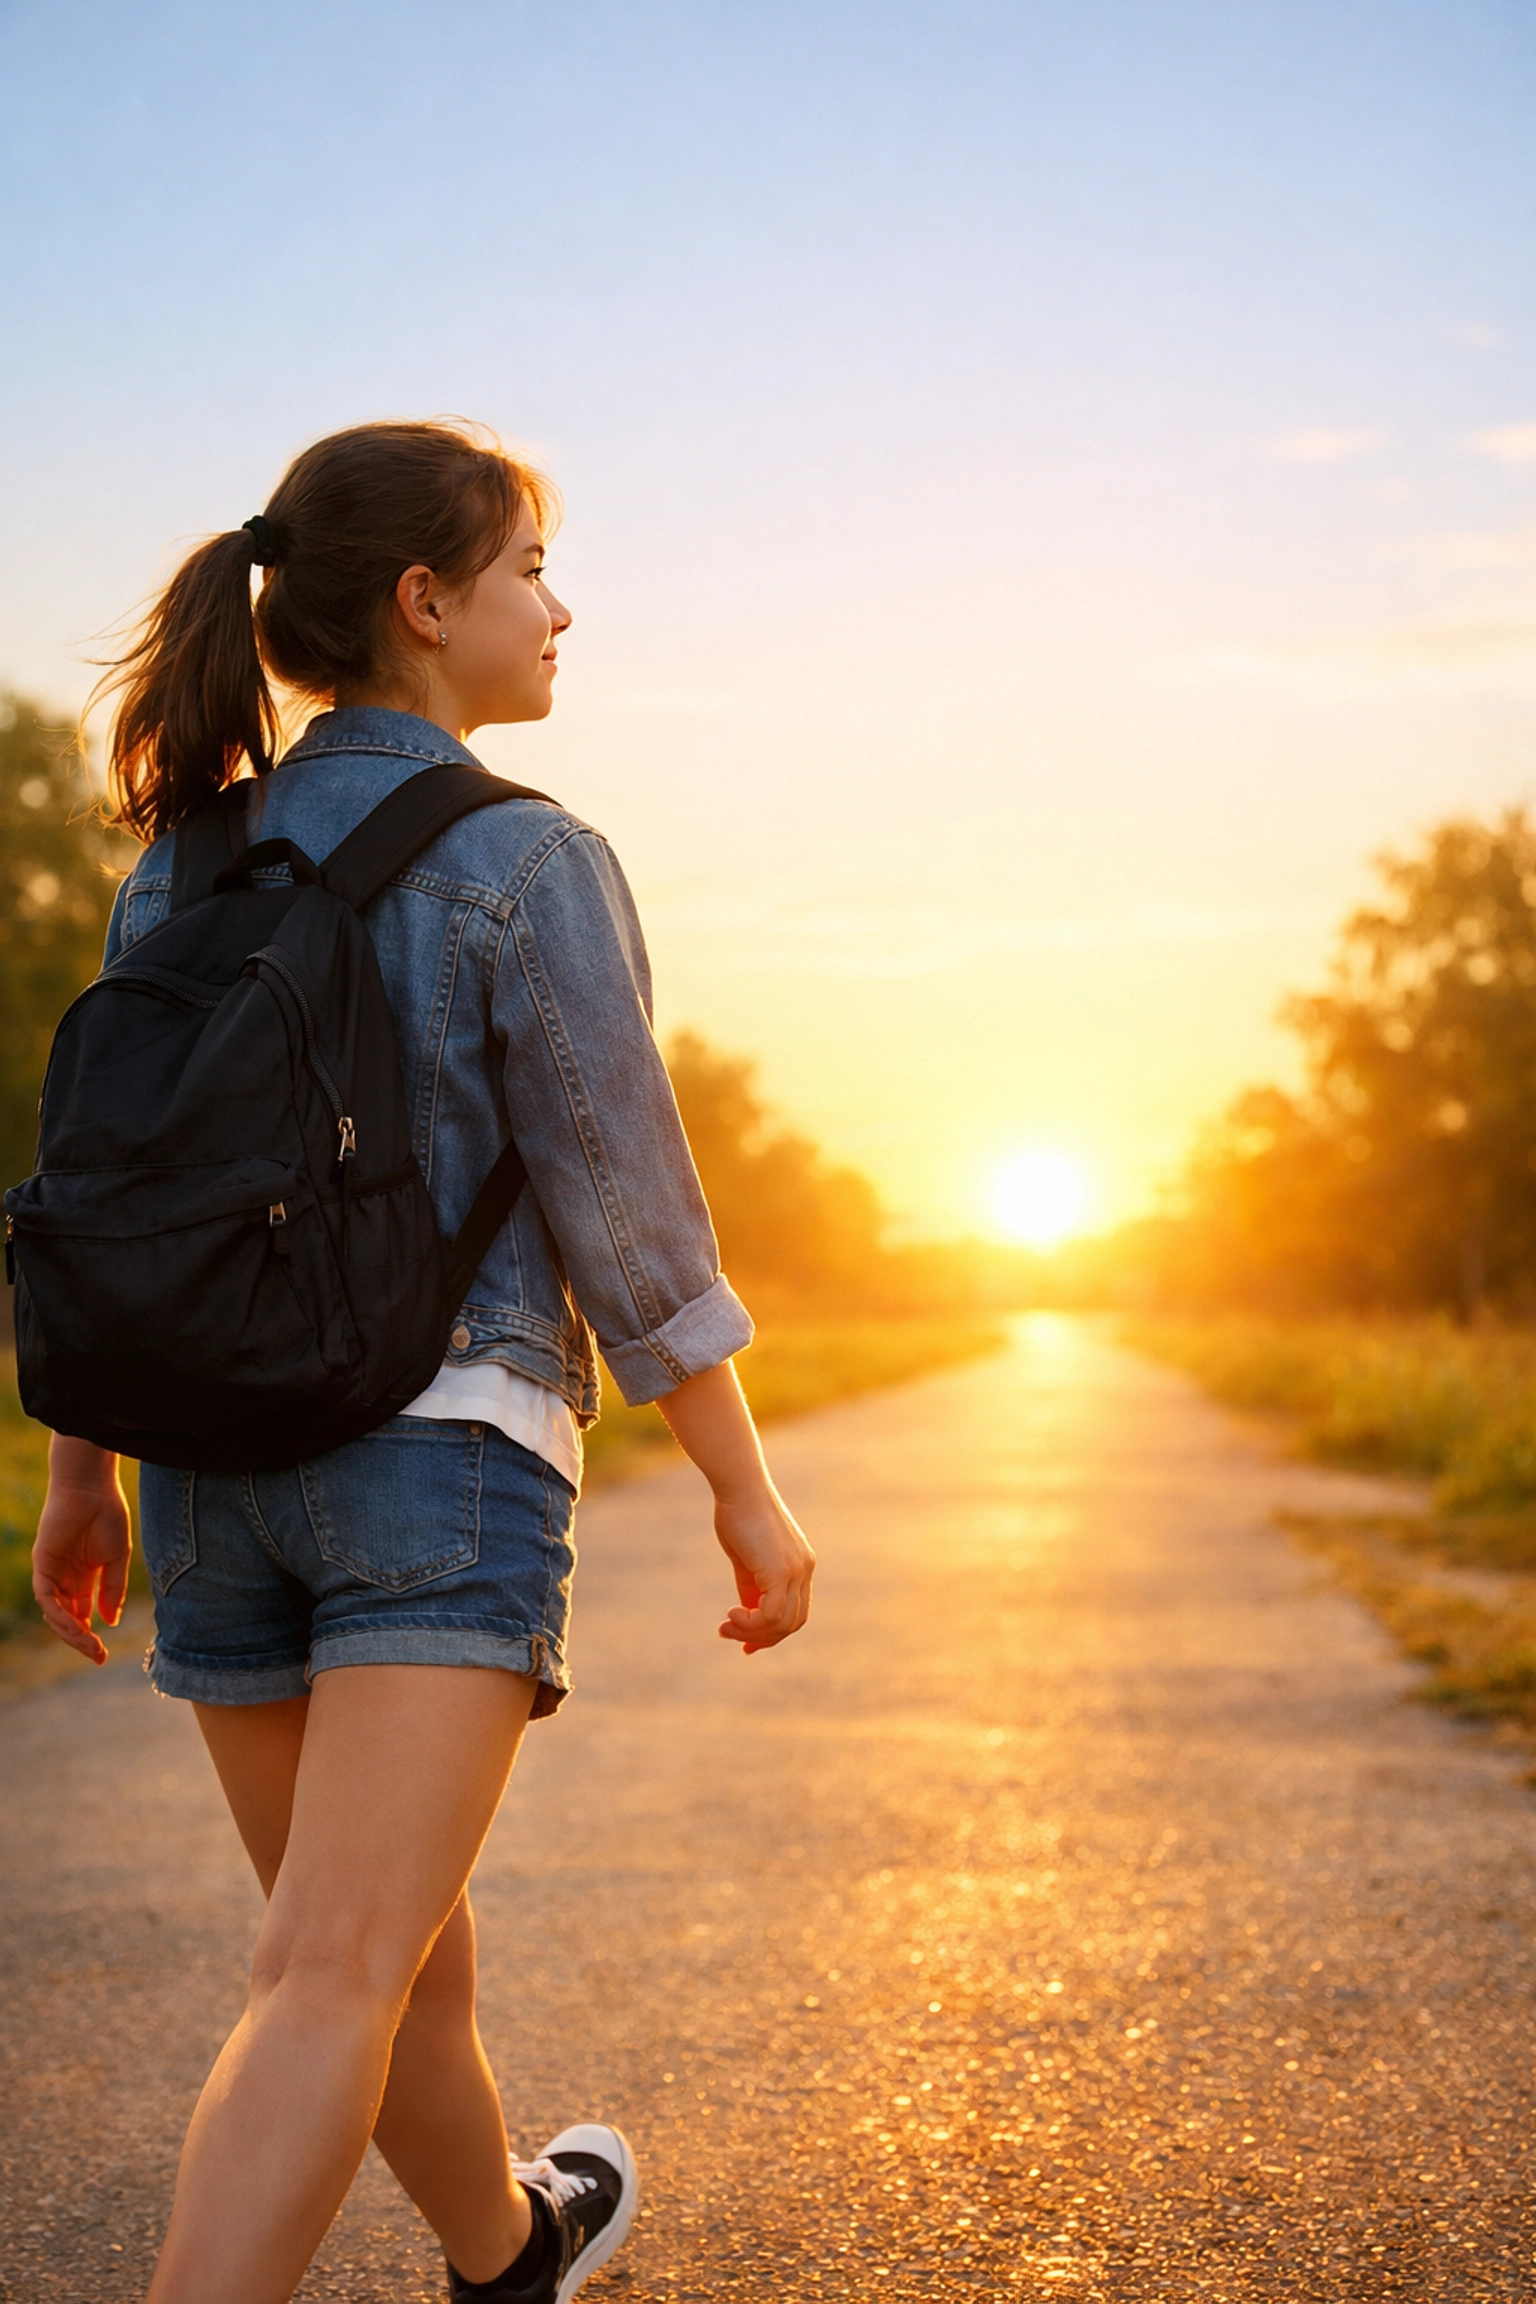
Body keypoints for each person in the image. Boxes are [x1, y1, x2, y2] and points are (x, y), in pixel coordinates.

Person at [28, 418, 815, 2304]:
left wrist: (81, 1472)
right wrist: (744, 1486)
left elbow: (110, 1189)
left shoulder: (184, 864)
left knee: (393, 1957)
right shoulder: (523, 860)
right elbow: (628, 1211)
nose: (561, 607)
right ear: (426, 600)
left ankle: (512, 2250)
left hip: (212, 1473)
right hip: (438, 1455)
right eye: (534, 566)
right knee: (331, 1974)